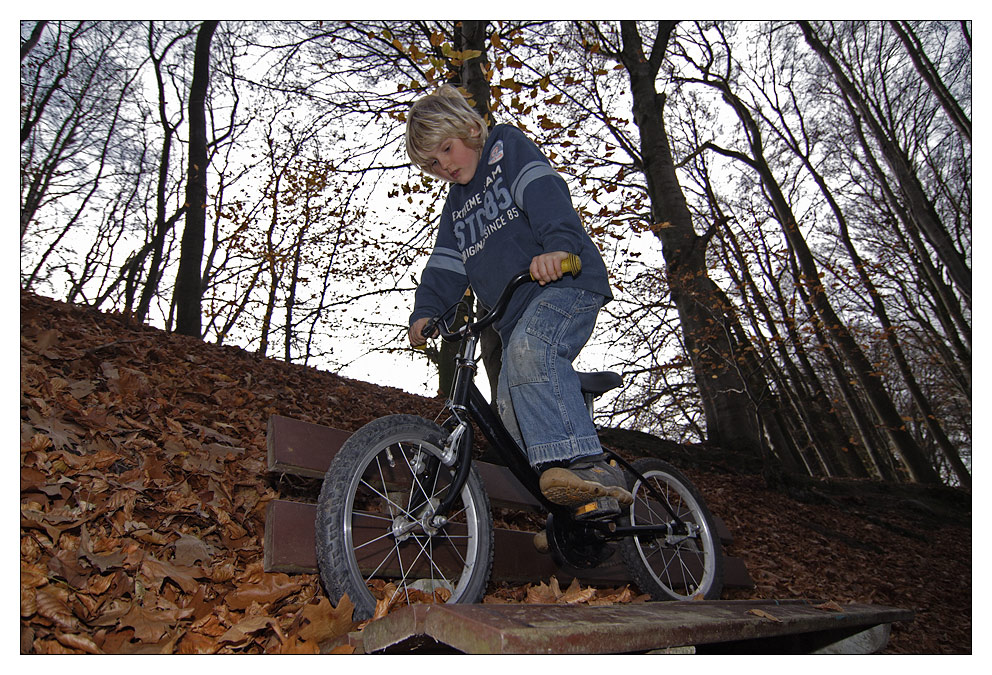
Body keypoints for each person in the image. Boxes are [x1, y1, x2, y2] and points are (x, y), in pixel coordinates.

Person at [404, 85, 632, 522]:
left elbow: (545, 193)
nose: (444, 166)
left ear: (470, 129)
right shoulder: (455, 209)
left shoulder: (504, 147)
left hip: (564, 286)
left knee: (531, 352)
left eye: (447, 150)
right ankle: (575, 512)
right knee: (508, 411)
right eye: (433, 163)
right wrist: (427, 312)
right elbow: (447, 267)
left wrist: (558, 247)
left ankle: (588, 467)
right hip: (512, 317)